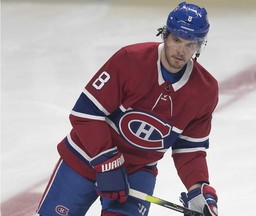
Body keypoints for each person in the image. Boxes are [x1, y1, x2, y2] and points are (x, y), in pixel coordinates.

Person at [37, 2, 219, 216]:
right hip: (85, 157)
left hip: (136, 172)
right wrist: (106, 160)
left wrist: (197, 188)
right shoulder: (130, 60)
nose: (181, 50)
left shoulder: (205, 90)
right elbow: (85, 114)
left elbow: (190, 150)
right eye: (176, 40)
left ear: (199, 46)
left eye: (190, 44)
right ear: (165, 35)